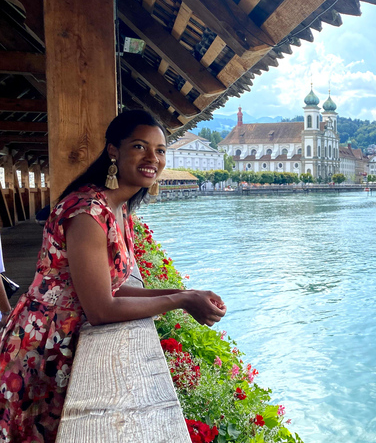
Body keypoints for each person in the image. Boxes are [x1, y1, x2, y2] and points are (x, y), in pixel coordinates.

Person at [0, 111, 227, 442]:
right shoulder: (88, 211)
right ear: (113, 151)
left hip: (59, 342)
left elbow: (112, 288)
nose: (153, 158)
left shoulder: (117, 208)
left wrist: (187, 294)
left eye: (160, 150)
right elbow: (101, 309)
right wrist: (179, 300)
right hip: (41, 348)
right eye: (139, 146)